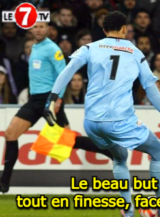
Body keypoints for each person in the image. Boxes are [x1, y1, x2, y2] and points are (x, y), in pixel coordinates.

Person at [43, 11, 160, 217]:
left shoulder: (89, 47)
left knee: (120, 156)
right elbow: (151, 89)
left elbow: (67, 71)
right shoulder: (134, 52)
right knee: (158, 151)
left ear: (104, 31)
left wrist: (52, 99)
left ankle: (128, 209)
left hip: (92, 122)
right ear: (124, 29)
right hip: (119, 121)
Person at [0, 22, 112, 194]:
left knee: (67, 141)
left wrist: (57, 100)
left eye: (41, 27)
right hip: (34, 99)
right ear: (30, 29)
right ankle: (4, 183)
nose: (38, 30)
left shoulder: (52, 49)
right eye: (35, 27)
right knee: (10, 134)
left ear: (48, 29)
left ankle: (106, 149)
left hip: (50, 100)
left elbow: (64, 74)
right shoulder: (34, 47)